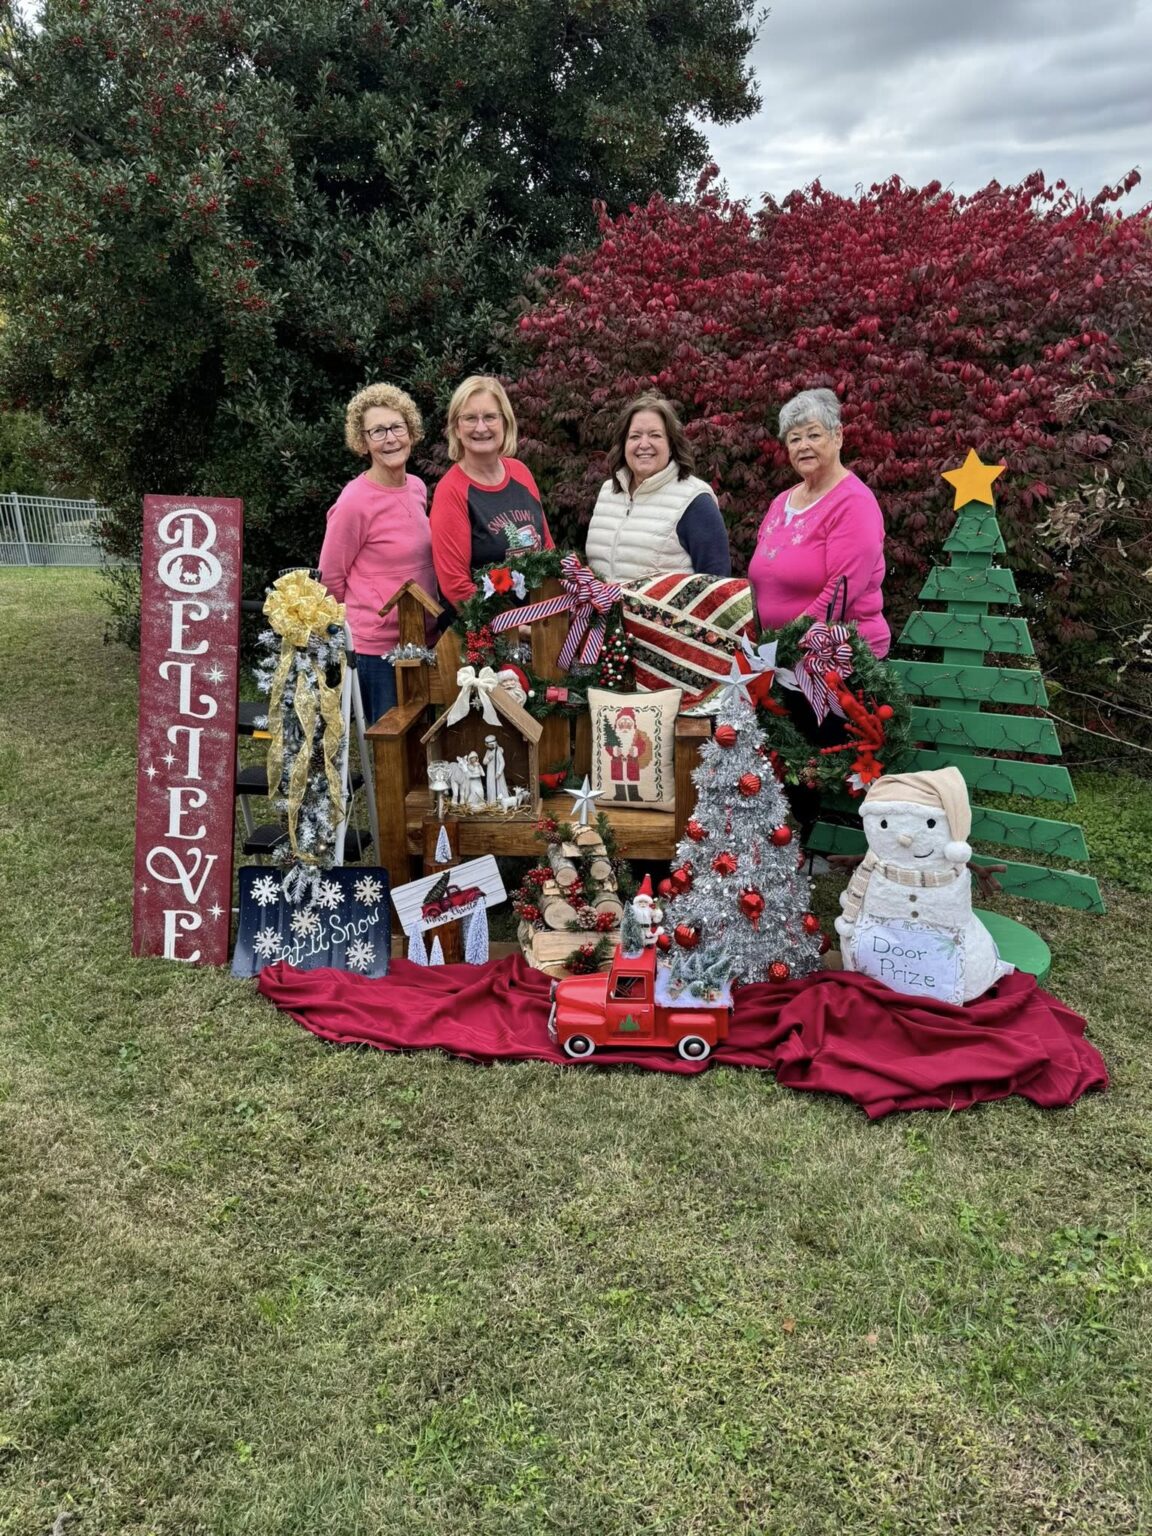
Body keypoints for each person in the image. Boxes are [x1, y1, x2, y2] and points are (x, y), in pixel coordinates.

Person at [317, 383, 435, 724]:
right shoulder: (354, 501)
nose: (390, 439)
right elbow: (330, 579)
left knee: (425, 743)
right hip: (378, 650)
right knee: (391, 752)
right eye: (377, 431)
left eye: (397, 427)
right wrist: (354, 633)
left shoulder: (416, 487)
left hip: (424, 639)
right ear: (362, 441)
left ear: (410, 431)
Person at [748, 387, 890, 657]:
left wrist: (785, 645)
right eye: (794, 439)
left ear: (838, 436)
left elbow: (840, 594)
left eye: (813, 435)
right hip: (777, 658)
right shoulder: (780, 502)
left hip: (839, 661)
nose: (803, 446)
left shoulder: (853, 503)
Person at [429, 375, 553, 613]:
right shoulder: (451, 490)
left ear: (504, 422)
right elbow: (456, 587)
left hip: (540, 622)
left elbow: (547, 548)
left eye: (489, 417)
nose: (481, 427)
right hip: (486, 636)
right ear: (457, 427)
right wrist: (513, 626)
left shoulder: (521, 473)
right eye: (470, 418)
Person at [585, 394, 731, 583]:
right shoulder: (608, 493)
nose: (644, 444)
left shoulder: (695, 500)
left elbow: (717, 587)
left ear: (671, 445)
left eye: (655, 435)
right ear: (624, 444)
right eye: (635, 436)